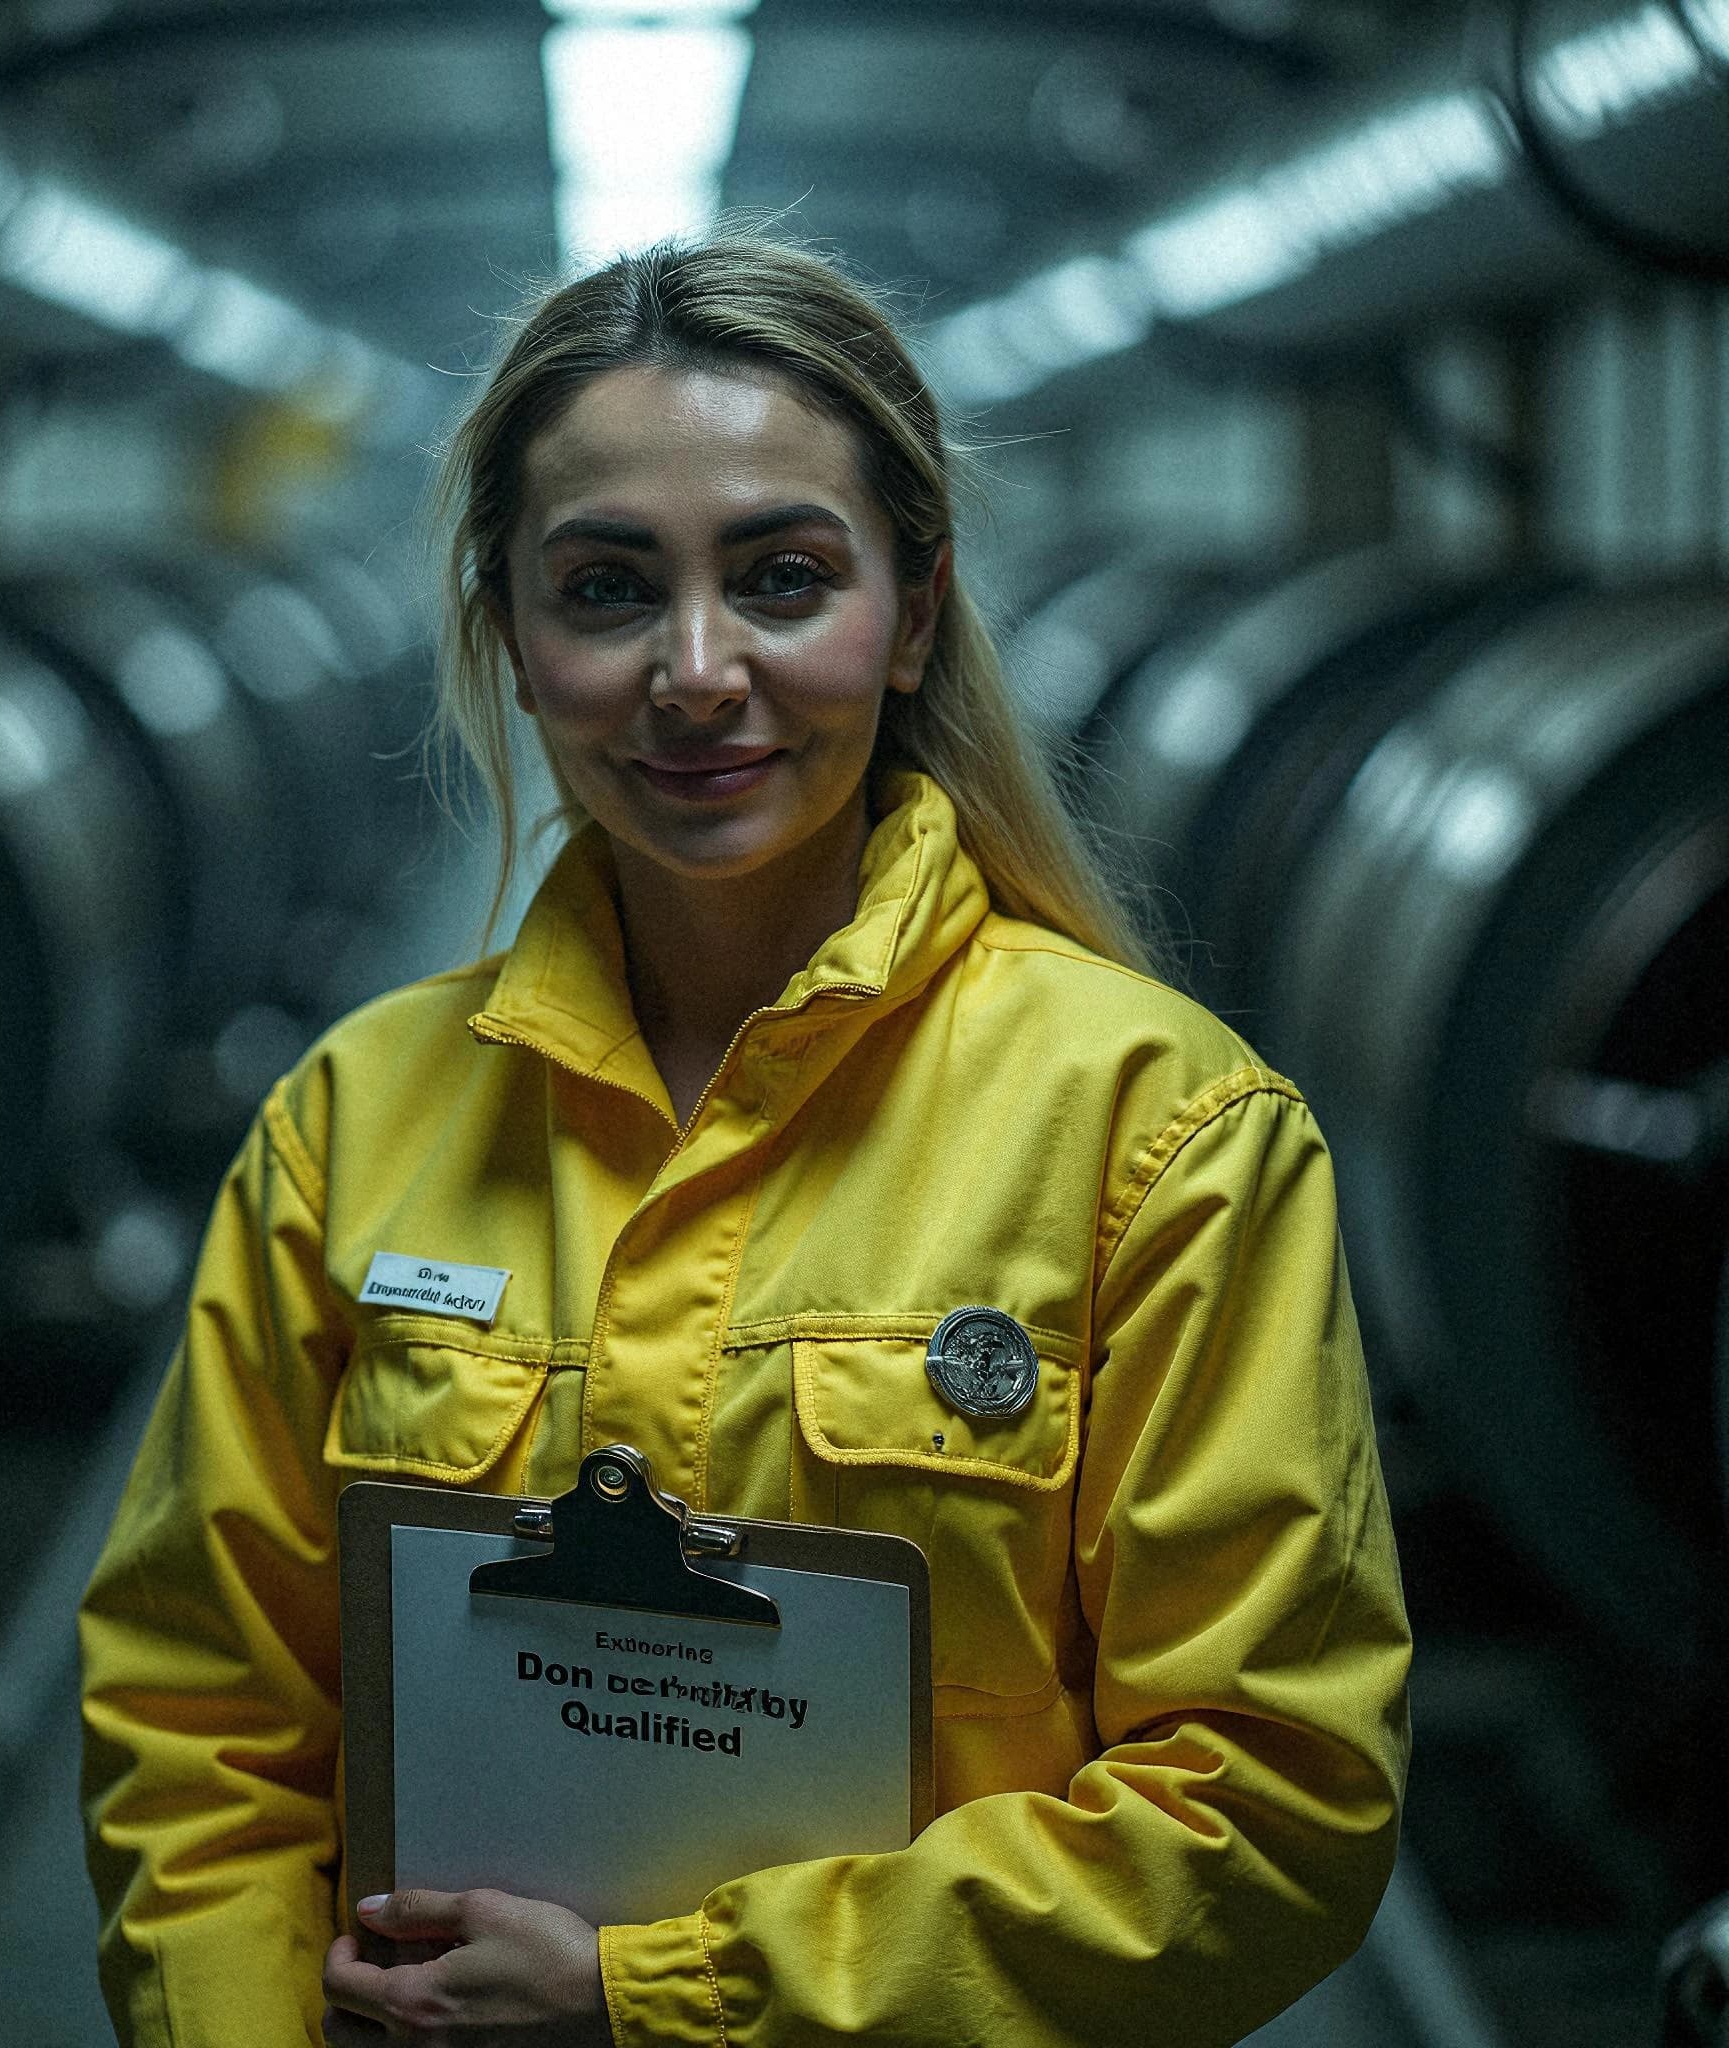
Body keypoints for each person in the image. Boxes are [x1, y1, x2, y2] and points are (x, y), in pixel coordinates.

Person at [79, 235, 1411, 2048]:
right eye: (608, 590)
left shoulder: (1157, 1134)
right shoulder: (351, 1125)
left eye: (783, 578)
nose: (696, 673)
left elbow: (1267, 1804)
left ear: (914, 607)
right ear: (511, 632)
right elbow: (202, 1729)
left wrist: (668, 1999)